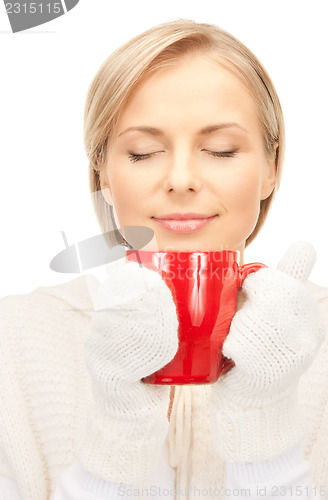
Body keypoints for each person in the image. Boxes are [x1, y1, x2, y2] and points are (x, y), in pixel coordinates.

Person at [0, 18, 328, 500]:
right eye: (143, 152)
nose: (180, 179)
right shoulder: (14, 340)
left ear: (270, 169)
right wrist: (117, 438)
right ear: (104, 175)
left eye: (220, 150)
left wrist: (266, 440)